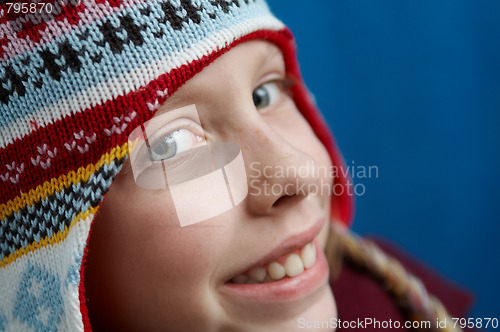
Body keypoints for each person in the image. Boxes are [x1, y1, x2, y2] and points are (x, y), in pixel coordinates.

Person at [0, 0, 473, 331]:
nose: (297, 174)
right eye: (170, 144)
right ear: (42, 251)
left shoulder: (395, 310)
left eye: (264, 93)